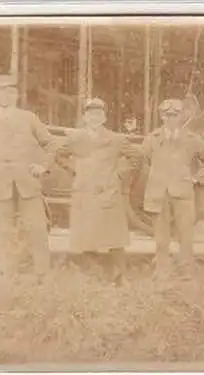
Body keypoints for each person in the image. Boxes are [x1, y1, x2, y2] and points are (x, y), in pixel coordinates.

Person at [0, 74, 57, 279]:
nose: (6, 94)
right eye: (1, 89)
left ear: (16, 94)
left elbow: (50, 144)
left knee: (37, 229)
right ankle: (8, 274)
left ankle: (43, 274)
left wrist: (42, 165)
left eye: (11, 90)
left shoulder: (29, 118)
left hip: (28, 183)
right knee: (4, 231)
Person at [56, 98, 141, 285]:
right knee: (86, 236)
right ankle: (93, 276)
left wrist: (118, 176)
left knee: (114, 237)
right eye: (91, 114)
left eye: (98, 114)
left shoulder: (115, 139)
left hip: (107, 193)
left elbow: (136, 158)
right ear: (85, 117)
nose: (95, 117)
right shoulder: (76, 138)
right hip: (84, 193)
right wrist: (74, 169)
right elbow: (59, 155)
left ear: (104, 118)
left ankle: (121, 276)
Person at [141, 99, 204, 277]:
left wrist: (198, 178)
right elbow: (141, 160)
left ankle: (186, 269)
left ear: (182, 117)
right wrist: (153, 178)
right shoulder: (152, 138)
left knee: (185, 234)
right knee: (161, 236)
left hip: (183, 193)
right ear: (161, 117)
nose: (171, 119)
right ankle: (161, 268)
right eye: (167, 116)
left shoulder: (192, 139)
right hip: (158, 193)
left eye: (175, 115)